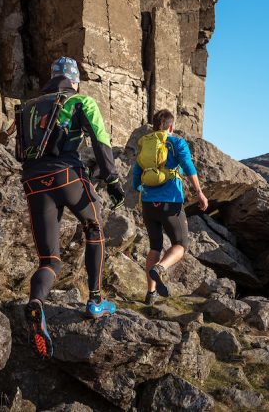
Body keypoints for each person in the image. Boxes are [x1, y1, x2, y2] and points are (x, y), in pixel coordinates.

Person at [18, 57, 125, 358]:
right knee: (94, 228)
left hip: (33, 181)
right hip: (67, 175)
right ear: (75, 79)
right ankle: (95, 300)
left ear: (52, 77)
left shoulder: (30, 105)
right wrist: (112, 179)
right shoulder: (80, 101)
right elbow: (100, 140)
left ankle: (37, 303)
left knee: (49, 259)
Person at [132, 109, 209, 306]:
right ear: (171, 126)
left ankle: (150, 294)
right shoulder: (176, 143)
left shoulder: (145, 144)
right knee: (181, 245)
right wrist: (199, 192)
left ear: (154, 125)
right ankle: (161, 269)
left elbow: (136, 175)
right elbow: (189, 166)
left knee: (155, 247)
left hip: (149, 203)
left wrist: (142, 189)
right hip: (170, 202)